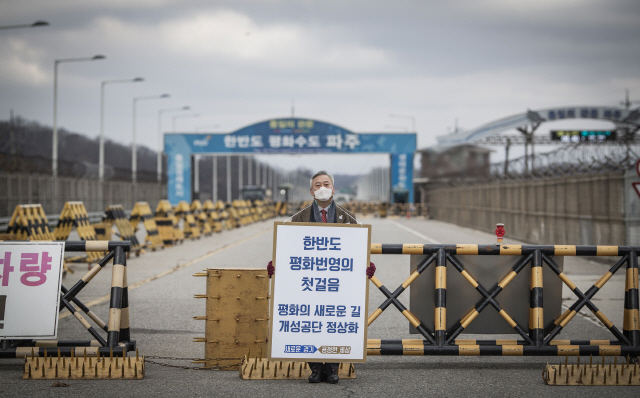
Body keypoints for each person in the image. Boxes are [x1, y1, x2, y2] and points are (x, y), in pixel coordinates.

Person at [267, 170, 375, 384]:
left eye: (326, 184)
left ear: (333, 189)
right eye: (318, 185)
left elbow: (358, 251)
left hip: (337, 284)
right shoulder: (297, 219)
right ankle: (315, 367)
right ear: (311, 191)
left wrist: (366, 266)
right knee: (312, 319)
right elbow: (288, 249)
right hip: (309, 284)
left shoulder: (349, 220)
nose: (322, 188)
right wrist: (277, 265)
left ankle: (333, 367)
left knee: (334, 320)